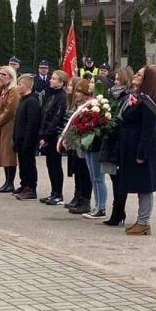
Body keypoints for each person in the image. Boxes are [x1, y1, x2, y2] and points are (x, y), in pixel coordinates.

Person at [118, 66, 156, 235]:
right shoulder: (138, 97)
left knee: (145, 185)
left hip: (142, 148)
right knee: (139, 183)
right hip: (131, 144)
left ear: (147, 79)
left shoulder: (149, 101)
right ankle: (141, 220)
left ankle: (144, 221)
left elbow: (148, 130)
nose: (135, 76)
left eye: (139, 74)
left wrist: (142, 154)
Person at [101, 67, 134, 226]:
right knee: (114, 178)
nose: (115, 82)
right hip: (111, 140)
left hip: (120, 141)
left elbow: (122, 119)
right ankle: (118, 211)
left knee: (119, 180)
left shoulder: (127, 97)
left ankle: (118, 212)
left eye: (118, 79)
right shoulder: (112, 96)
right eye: (114, 79)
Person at [82, 75, 110, 219]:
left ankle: (101, 207)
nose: (90, 84)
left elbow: (104, 123)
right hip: (88, 142)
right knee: (93, 177)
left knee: (99, 178)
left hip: (97, 143)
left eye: (93, 82)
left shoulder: (103, 103)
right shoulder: (89, 101)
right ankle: (97, 205)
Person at [39, 70, 68, 205]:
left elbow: (57, 118)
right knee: (50, 165)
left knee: (56, 165)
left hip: (54, 136)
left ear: (61, 82)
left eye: (54, 79)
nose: (51, 80)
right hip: (47, 136)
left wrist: (46, 136)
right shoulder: (51, 95)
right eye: (51, 78)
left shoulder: (62, 96)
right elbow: (44, 114)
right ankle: (53, 192)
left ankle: (58, 194)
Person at [0, 65, 19, 193]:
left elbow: (9, 111)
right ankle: (6, 181)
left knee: (9, 154)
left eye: (4, 75)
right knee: (2, 153)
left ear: (11, 77)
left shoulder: (13, 91)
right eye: (0, 74)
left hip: (8, 126)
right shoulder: (0, 89)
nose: (0, 76)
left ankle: (10, 182)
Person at [65, 78, 93, 215]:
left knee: (84, 172)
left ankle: (85, 200)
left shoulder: (89, 106)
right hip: (76, 143)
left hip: (83, 144)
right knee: (78, 171)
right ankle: (78, 196)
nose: (76, 94)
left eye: (79, 92)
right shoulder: (78, 105)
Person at [12, 74, 41, 200]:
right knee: (22, 164)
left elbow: (32, 123)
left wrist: (28, 141)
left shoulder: (32, 101)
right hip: (19, 139)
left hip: (27, 140)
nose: (17, 87)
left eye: (19, 84)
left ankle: (31, 187)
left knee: (29, 164)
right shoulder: (22, 100)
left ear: (27, 86)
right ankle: (24, 184)